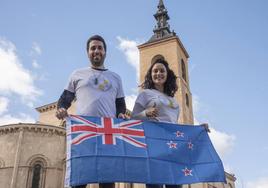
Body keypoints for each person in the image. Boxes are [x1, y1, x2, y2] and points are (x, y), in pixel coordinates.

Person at [56, 35, 128, 188]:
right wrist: (61, 109)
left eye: (99, 48)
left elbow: (120, 104)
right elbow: (64, 99)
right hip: (84, 132)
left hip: (108, 133)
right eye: (93, 48)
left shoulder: (116, 78)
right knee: (80, 178)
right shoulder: (77, 74)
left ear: (105, 52)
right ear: (87, 52)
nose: (96, 51)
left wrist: (121, 114)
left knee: (107, 180)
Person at [132, 59, 209, 188]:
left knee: (175, 185)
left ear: (167, 74)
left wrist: (198, 129)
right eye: (155, 71)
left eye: (162, 71)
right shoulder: (145, 94)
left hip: (173, 148)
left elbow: (175, 127)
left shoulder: (174, 101)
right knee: (154, 184)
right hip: (153, 147)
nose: (158, 73)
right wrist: (146, 113)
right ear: (151, 74)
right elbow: (132, 119)